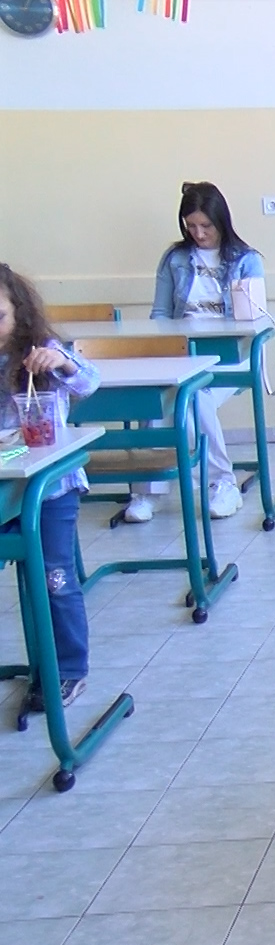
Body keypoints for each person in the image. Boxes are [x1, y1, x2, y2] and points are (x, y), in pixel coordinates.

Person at [0, 265, 101, 712]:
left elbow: (89, 381)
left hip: (50, 486)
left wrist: (62, 361)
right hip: (5, 485)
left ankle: (68, 669)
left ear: (19, 314)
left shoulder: (42, 351)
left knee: (53, 578)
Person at [142, 180, 261, 522]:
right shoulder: (175, 259)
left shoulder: (246, 260)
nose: (198, 233)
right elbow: (161, 314)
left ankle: (222, 483)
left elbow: (252, 320)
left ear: (221, 221)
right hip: (184, 354)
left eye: (205, 226)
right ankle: (149, 490)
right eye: (190, 226)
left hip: (230, 355)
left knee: (197, 396)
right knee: (158, 396)